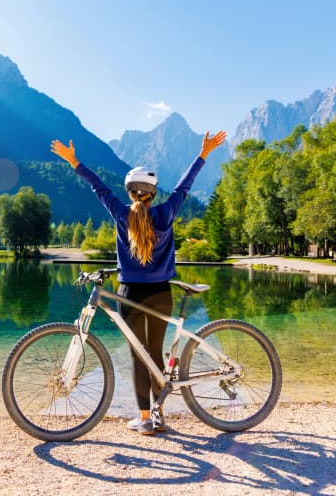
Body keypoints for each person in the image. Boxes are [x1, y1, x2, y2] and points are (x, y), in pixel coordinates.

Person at [50, 130, 226, 435]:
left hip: (130, 293)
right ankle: (158, 415)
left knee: (137, 354)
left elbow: (99, 189)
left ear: (131, 193)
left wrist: (74, 161)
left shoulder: (121, 215)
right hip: (161, 293)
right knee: (154, 352)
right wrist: (203, 153)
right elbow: (185, 186)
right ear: (153, 193)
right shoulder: (166, 212)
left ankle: (145, 417)